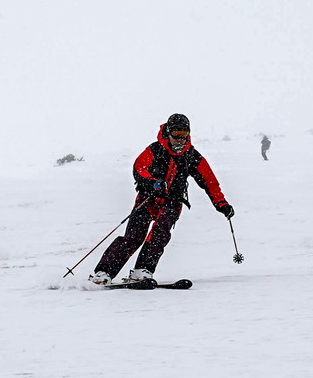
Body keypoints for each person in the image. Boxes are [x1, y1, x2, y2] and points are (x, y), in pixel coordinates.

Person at [90, 113, 234, 285]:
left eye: (184, 136)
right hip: (148, 199)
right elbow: (139, 168)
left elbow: (210, 181)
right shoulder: (155, 149)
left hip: (173, 202)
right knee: (133, 236)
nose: (180, 140)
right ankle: (103, 272)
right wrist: (153, 183)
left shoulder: (192, 156)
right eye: (176, 136)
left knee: (160, 235)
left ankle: (142, 271)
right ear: (168, 133)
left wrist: (221, 204)